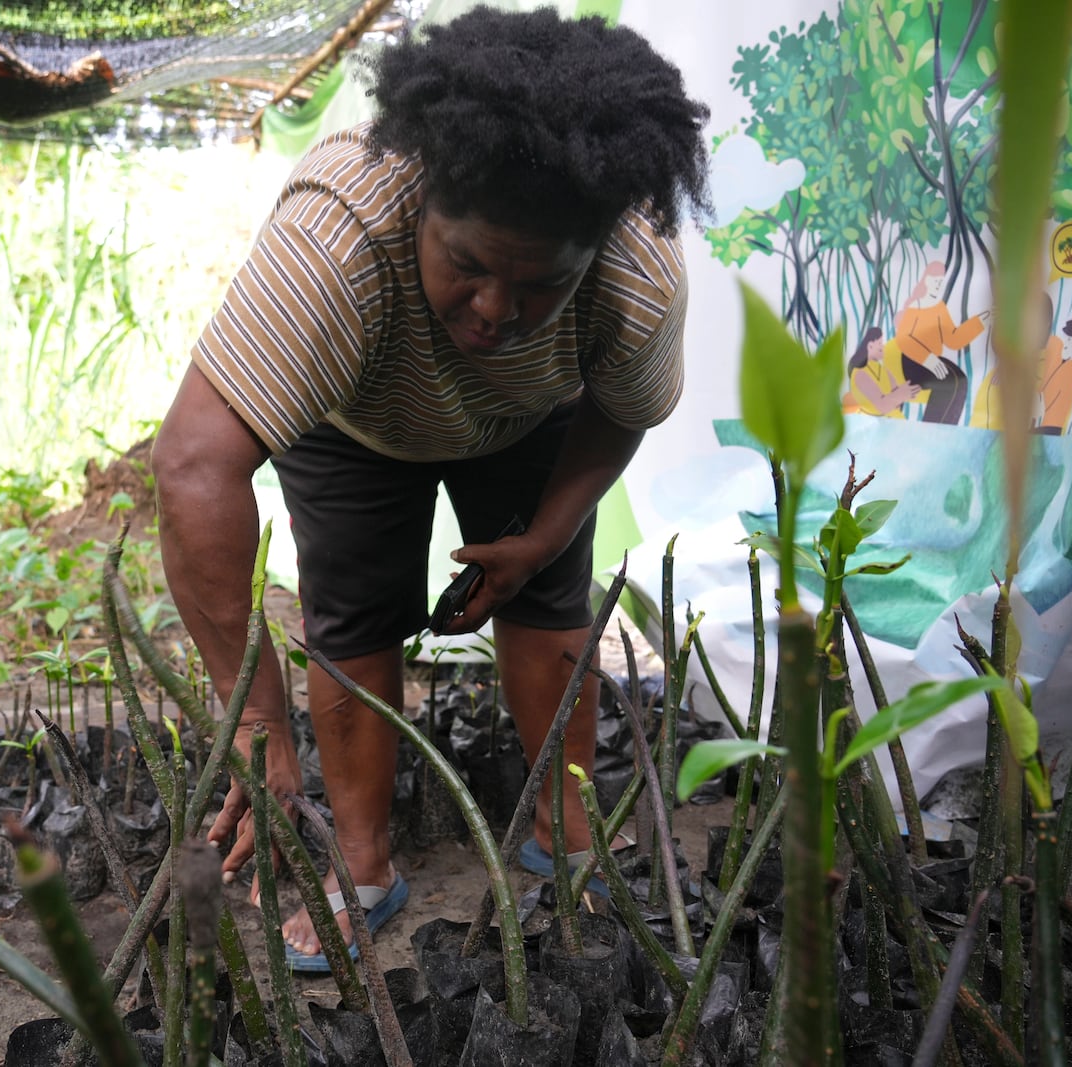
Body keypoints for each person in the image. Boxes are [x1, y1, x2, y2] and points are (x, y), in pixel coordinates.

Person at [152, 6, 710, 974]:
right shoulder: (338, 236)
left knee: (547, 599)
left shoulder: (636, 271)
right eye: (467, 265)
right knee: (355, 610)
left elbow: (623, 409)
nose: (496, 309)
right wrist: (255, 722)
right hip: (354, 412)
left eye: (540, 285)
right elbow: (195, 463)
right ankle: (363, 864)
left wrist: (543, 532)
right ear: (423, 211)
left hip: (534, 411)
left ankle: (560, 823)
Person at [894, 261, 990, 424]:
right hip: (913, 362)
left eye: (941, 282)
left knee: (960, 380)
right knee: (949, 382)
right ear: (926, 280)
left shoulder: (939, 308)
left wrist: (979, 322)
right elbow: (905, 340)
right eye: (935, 281)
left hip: (933, 360)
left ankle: (944, 426)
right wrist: (927, 359)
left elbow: (954, 340)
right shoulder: (914, 306)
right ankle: (932, 425)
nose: (938, 286)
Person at [845, 326, 922, 417]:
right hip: (875, 424)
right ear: (870, 346)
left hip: (895, 421)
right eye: (880, 343)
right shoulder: (859, 373)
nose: (883, 346)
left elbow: (896, 398)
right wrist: (899, 395)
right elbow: (879, 407)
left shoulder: (883, 369)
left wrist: (903, 393)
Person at [1037, 317, 1072, 434]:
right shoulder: (1063, 362)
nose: (1064, 343)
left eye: (1068, 339)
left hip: (1051, 428)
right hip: (1045, 424)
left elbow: (1050, 397)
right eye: (1065, 338)